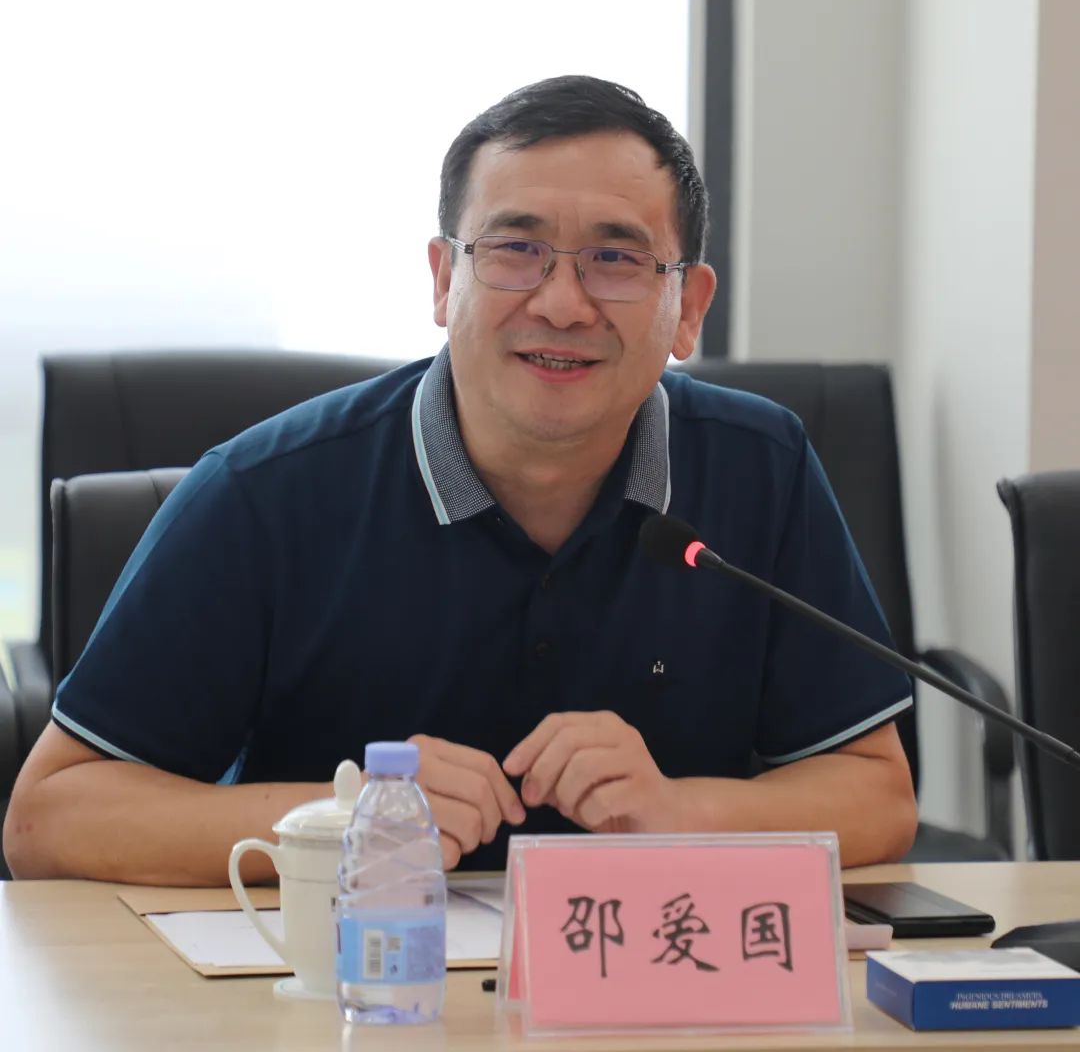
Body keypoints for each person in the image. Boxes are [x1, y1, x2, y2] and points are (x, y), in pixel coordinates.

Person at [4, 76, 916, 886]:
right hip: (349, 987)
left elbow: (877, 793)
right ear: (444, 281)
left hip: (655, 986)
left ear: (690, 307)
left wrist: (679, 811)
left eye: (616, 258)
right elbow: (49, 817)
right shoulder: (264, 493)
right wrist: (346, 821)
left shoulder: (762, 466)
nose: (562, 303)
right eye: (516, 249)